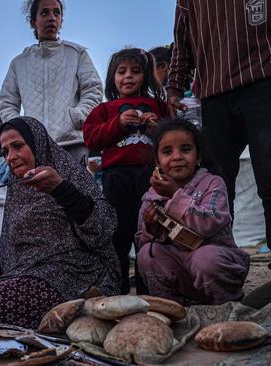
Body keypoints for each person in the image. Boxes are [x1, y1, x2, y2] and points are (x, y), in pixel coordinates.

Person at [0, 117, 120, 329]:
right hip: (25, 275)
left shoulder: (70, 175)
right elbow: (10, 241)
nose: (11, 157)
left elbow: (103, 230)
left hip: (72, 275)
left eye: (17, 146)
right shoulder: (17, 189)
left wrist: (60, 189)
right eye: (5, 152)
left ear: (38, 143)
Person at [167, 0, 271, 279]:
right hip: (214, 96)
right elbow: (182, 43)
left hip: (264, 84)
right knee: (215, 186)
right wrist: (174, 86)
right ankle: (221, 267)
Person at [136, 119, 250, 305]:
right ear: (157, 161)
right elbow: (142, 240)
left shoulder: (212, 183)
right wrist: (151, 226)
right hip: (181, 274)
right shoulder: (151, 195)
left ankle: (228, 304)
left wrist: (175, 195)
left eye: (186, 149)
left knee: (205, 258)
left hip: (215, 265)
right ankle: (173, 308)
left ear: (198, 157)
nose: (177, 157)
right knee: (148, 254)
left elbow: (210, 222)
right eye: (167, 152)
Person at [83, 48, 168, 294]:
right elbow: (91, 138)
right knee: (118, 233)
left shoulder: (158, 105)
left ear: (146, 75)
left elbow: (172, 137)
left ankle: (148, 289)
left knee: (149, 231)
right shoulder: (105, 110)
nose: (128, 77)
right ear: (113, 78)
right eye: (122, 72)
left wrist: (157, 127)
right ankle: (117, 288)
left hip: (150, 177)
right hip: (116, 177)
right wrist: (117, 124)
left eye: (135, 71)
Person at [0, 0, 103, 165]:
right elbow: (6, 103)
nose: (52, 18)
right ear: (33, 21)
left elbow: (93, 89)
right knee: (36, 190)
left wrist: (77, 116)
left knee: (72, 191)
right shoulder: (19, 63)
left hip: (72, 144)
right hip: (33, 149)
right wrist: (21, 130)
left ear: (61, 20)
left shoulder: (77, 54)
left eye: (57, 13)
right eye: (44, 13)